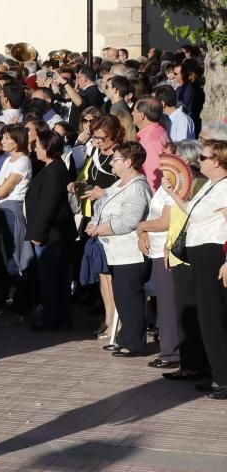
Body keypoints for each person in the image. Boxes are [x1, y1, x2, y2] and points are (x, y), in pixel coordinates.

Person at [164, 139, 227, 398]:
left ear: (218, 161)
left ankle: (224, 379)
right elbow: (191, 212)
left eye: (203, 158)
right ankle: (216, 373)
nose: (198, 161)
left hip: (214, 254)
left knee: (215, 317)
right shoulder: (209, 187)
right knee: (207, 316)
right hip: (200, 254)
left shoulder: (224, 188)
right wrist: (173, 194)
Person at [86, 141, 151, 356]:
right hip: (115, 251)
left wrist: (100, 229)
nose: (112, 162)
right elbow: (102, 205)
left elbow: (129, 221)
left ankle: (134, 342)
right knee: (122, 297)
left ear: (129, 162)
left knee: (130, 297)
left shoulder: (137, 186)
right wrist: (93, 223)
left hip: (130, 252)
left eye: (116, 159)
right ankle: (126, 338)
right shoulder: (119, 184)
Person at [25, 130, 76, 330]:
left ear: (47, 147)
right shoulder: (52, 168)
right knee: (54, 278)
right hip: (52, 234)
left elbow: (48, 205)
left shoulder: (54, 170)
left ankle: (53, 319)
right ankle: (57, 317)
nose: (35, 148)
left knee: (52, 279)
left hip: (51, 235)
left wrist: (37, 235)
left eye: (38, 144)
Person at [0, 124, 33, 312]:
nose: (3, 141)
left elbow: (1, 190)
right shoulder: (9, 159)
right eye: (4, 138)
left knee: (16, 259)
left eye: (8, 138)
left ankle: (22, 305)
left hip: (12, 210)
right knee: (6, 256)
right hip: (2, 210)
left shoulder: (23, 161)